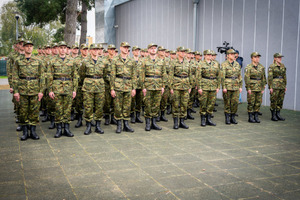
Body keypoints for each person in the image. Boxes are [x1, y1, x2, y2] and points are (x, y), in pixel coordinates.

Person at [12, 40, 45, 140]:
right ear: (24, 48)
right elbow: (15, 77)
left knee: (34, 111)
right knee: (23, 111)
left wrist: (41, 91)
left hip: (35, 90)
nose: (29, 48)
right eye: (27, 46)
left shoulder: (38, 61)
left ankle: (33, 131)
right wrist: (16, 91)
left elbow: (42, 76)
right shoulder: (18, 61)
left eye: (31, 46)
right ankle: (25, 132)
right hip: (22, 90)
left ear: (32, 48)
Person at [48, 41, 78, 138]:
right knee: (58, 109)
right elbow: (49, 76)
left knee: (68, 109)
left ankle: (67, 128)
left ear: (67, 49)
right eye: (61, 47)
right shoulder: (52, 60)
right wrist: (50, 90)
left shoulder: (72, 60)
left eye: (64, 48)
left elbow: (75, 76)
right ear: (58, 49)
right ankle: (59, 129)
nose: (62, 49)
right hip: (57, 87)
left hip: (68, 87)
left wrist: (74, 89)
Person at [79, 44, 107, 134]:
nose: (95, 51)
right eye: (94, 49)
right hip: (88, 87)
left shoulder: (103, 61)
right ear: (90, 50)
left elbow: (105, 74)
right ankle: (88, 126)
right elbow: (82, 74)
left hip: (100, 86)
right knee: (88, 107)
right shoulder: (85, 61)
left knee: (99, 107)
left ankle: (98, 126)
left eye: (97, 49)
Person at [110, 42, 137, 133]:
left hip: (128, 85)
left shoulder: (131, 60)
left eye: (127, 47)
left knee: (127, 106)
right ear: (121, 48)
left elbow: (134, 75)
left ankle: (126, 124)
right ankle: (119, 125)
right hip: (118, 85)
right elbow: (112, 75)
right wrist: (112, 88)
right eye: (124, 47)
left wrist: (134, 88)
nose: (126, 49)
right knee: (117, 106)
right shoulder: (115, 59)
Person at [140, 43, 166, 131]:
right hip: (148, 85)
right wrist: (143, 87)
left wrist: (163, 86)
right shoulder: (144, 61)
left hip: (158, 85)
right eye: (151, 48)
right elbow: (142, 75)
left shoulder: (161, 60)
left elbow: (164, 74)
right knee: (148, 104)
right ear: (148, 50)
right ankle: (147, 123)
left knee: (156, 104)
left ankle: (154, 123)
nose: (153, 50)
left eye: (155, 48)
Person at [196, 50, 221, 126]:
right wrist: (199, 87)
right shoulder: (201, 64)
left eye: (211, 55)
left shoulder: (215, 64)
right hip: (204, 85)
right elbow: (198, 76)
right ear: (205, 55)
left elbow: (218, 76)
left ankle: (209, 119)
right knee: (203, 103)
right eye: (208, 55)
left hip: (213, 85)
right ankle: (203, 119)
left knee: (211, 103)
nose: (210, 56)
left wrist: (218, 86)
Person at [170, 47, 192, 129]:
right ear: (178, 52)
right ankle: (175, 122)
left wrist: (190, 86)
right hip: (176, 85)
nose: (183, 53)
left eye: (184, 52)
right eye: (181, 52)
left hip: (186, 85)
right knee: (175, 104)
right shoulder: (173, 62)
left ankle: (182, 121)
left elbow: (189, 75)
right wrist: (171, 87)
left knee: (184, 104)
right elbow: (171, 75)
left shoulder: (187, 62)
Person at [220, 49, 242, 124]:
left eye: (234, 54)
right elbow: (222, 77)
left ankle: (233, 117)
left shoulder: (237, 64)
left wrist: (240, 86)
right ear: (228, 55)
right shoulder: (224, 64)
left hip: (236, 85)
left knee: (235, 102)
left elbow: (239, 76)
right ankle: (227, 117)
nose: (233, 55)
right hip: (228, 85)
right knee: (227, 102)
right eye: (232, 54)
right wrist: (224, 87)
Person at [244, 52, 267, 123]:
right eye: (255, 57)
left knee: (258, 102)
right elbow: (247, 78)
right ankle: (250, 117)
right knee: (251, 102)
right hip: (252, 86)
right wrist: (248, 88)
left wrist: (263, 87)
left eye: (258, 57)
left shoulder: (261, 67)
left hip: (259, 87)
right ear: (252, 58)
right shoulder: (249, 67)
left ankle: (256, 116)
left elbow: (263, 77)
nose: (257, 59)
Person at [74, 44, 89, 128]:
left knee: (88, 103)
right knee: (78, 103)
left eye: (87, 49)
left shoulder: (91, 59)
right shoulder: (76, 60)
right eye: (84, 49)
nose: (85, 51)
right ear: (81, 50)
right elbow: (75, 72)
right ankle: (79, 119)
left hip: (88, 85)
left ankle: (88, 120)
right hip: (79, 85)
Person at [268, 53, 287, 121]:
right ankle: (273, 115)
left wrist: (285, 85)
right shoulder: (272, 66)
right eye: (278, 57)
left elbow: (284, 76)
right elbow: (270, 77)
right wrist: (270, 87)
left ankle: (278, 114)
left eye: (281, 57)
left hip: (281, 85)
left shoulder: (282, 66)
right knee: (274, 100)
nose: (280, 58)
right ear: (275, 58)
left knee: (280, 100)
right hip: (275, 85)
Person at [130, 45, 144, 124]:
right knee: (132, 101)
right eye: (135, 50)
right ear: (132, 52)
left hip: (140, 83)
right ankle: (132, 115)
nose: (137, 52)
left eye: (138, 50)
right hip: (133, 83)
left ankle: (138, 116)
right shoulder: (130, 60)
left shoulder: (142, 61)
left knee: (139, 101)